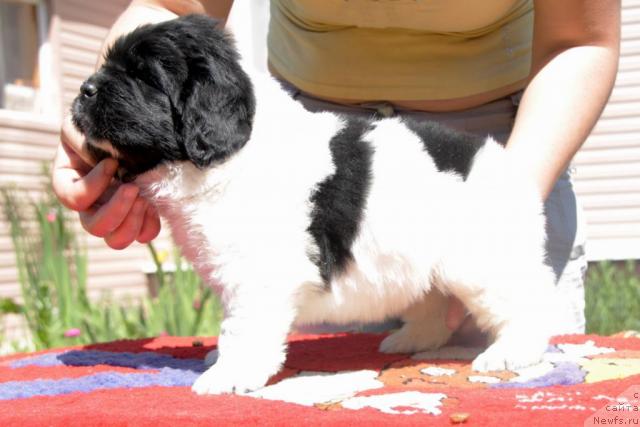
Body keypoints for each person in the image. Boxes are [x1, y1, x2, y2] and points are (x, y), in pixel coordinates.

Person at [52, 0, 621, 336]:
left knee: (516, 360)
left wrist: (499, 208)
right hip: (309, 172)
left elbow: (580, 41)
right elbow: (176, 10)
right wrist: (104, 118)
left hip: (497, 155)